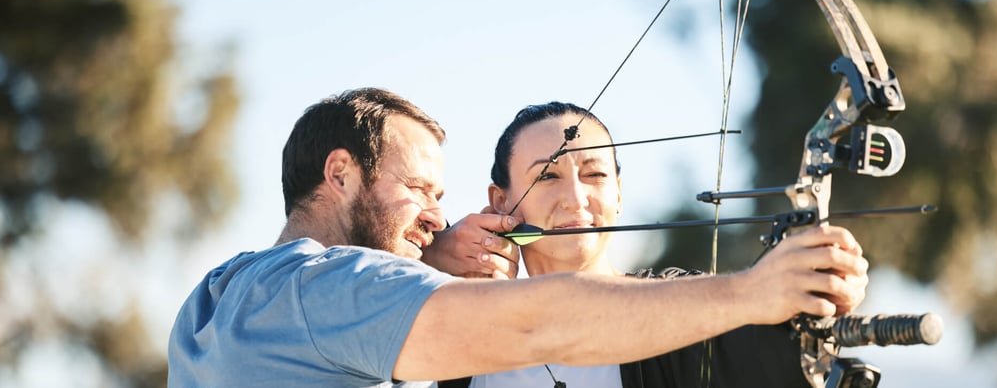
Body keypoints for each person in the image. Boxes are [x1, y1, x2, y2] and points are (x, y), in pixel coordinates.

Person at [167, 88, 869, 387]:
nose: (438, 219)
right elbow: (539, 323)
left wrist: (807, 298)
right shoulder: (330, 289)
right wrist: (753, 289)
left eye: (596, 174)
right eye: (420, 191)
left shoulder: (220, 296)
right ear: (341, 174)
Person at [449, 101, 868, 388]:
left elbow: (776, 357)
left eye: (595, 176)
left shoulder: (684, 307)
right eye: (547, 176)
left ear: (618, 194)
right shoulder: (454, 325)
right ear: (500, 202)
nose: (577, 198)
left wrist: (818, 286)